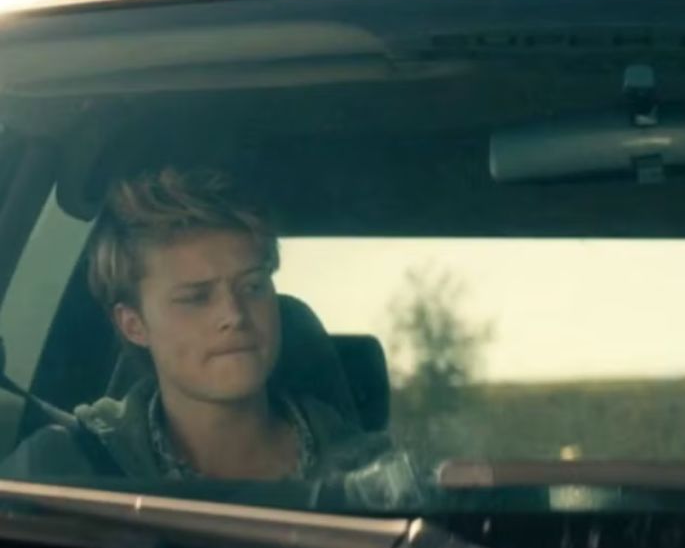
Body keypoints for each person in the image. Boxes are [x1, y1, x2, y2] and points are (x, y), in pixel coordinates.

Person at [0, 168, 396, 482]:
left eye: (252, 286)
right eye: (195, 298)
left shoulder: (376, 480)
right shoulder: (63, 472)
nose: (234, 315)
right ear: (134, 324)